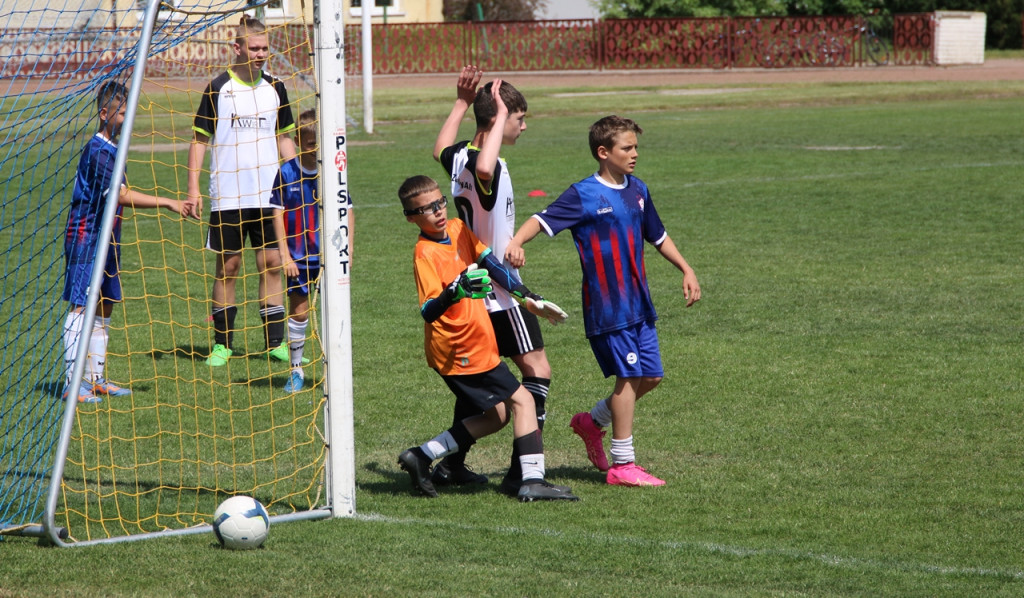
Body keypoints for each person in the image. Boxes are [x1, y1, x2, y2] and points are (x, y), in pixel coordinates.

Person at [505, 115, 702, 487]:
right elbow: (541, 219)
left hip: (639, 304)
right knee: (628, 378)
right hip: (608, 308)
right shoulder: (584, 194)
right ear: (603, 152)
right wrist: (516, 242)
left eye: (635, 147)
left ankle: (591, 422)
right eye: (626, 148)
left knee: (652, 376)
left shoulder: (638, 189)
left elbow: (657, 236)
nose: (634, 154)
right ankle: (623, 464)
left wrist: (686, 269)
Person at [395, 175, 576, 502]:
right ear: (410, 217)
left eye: (439, 203)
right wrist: (455, 291)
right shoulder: (425, 253)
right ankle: (532, 480)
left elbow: (490, 263)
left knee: (497, 416)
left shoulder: (457, 229)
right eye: (425, 209)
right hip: (459, 348)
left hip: (478, 344)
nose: (437, 212)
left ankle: (422, 455)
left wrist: (526, 296)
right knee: (523, 401)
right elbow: (427, 310)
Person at [432, 66, 565, 496]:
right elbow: (486, 171)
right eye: (518, 117)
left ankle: (452, 463)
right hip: (500, 289)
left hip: (475, 285)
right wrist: (494, 110)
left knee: (485, 381)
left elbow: (439, 149)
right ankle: (524, 472)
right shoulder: (484, 165)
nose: (523, 126)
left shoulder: (459, 159)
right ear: (499, 120)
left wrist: (460, 103)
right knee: (536, 369)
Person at [62, 80, 187, 403]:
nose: (126, 119)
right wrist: (168, 202)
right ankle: (71, 383)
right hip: (86, 235)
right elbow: (120, 195)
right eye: (121, 113)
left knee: (106, 302)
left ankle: (95, 378)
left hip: (109, 236)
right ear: (104, 113)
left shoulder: (114, 148)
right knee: (81, 304)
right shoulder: (98, 151)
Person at [185, 14, 297, 367]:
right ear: (237, 48)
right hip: (229, 196)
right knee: (228, 267)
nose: (261, 54)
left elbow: (285, 138)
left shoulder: (276, 87)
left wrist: (296, 182)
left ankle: (275, 343)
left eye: (265, 48)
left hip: (270, 196)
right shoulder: (218, 87)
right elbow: (199, 140)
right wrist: (193, 190)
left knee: (272, 264)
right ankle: (222, 345)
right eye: (254, 48)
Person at [270, 108, 354, 392]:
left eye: (318, 143)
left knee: (335, 311)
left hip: (330, 255)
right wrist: (284, 256)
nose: (314, 149)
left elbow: (348, 209)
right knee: (300, 312)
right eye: (308, 144)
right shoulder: (286, 172)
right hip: (298, 257)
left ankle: (335, 371)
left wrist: (348, 248)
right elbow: (276, 214)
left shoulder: (332, 171)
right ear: (296, 140)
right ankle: (296, 371)